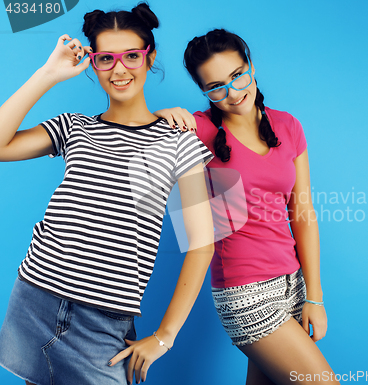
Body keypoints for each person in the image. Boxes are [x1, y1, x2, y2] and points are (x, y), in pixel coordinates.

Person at [0, 4, 214, 385]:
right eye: (106, 59)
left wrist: (165, 337)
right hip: (37, 296)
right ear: (94, 64)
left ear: (150, 58)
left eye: (132, 56)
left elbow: (203, 243)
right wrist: (48, 74)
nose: (119, 69)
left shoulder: (179, 140)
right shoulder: (73, 127)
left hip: (106, 319)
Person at [157, 29, 341, 384]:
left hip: (293, 284)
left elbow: (302, 213)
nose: (233, 92)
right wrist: (164, 114)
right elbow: (140, 131)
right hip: (245, 292)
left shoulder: (288, 126)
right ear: (204, 92)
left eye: (238, 75)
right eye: (216, 87)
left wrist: (314, 298)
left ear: (251, 66)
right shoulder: (200, 130)